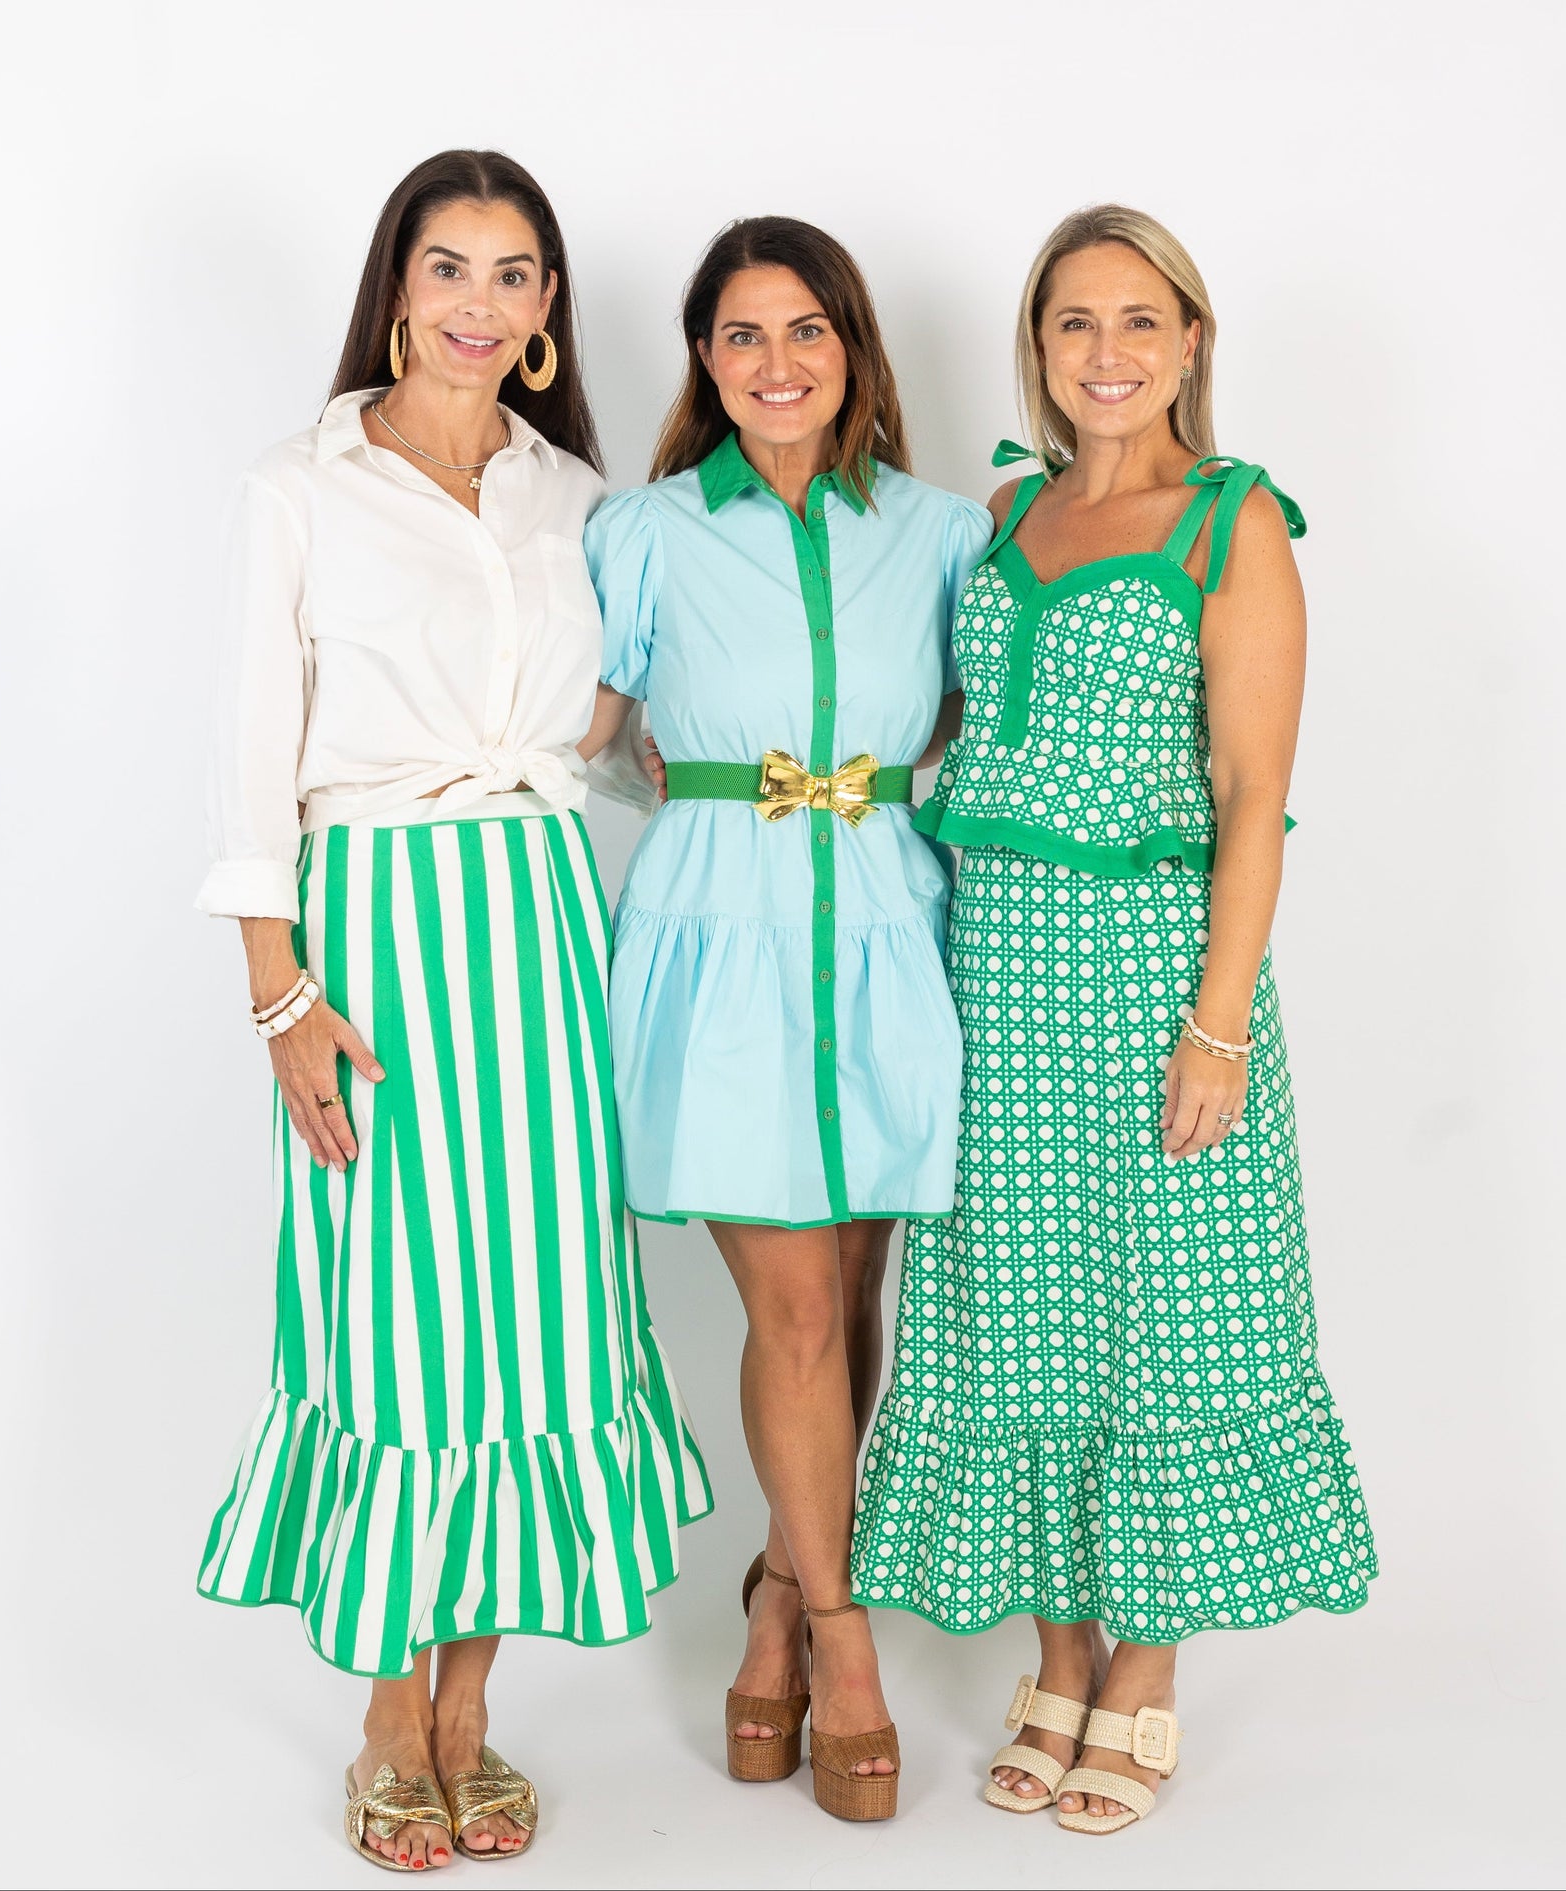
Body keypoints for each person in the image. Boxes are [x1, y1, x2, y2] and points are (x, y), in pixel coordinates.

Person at [194, 148, 709, 1871]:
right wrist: (281, 1004)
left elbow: (624, 739)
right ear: (396, 286)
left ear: (548, 310)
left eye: (512, 274)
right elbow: (253, 764)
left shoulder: (583, 500)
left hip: (546, 929)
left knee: (540, 1323)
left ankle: (468, 1708)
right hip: (377, 938)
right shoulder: (302, 482)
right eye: (447, 267)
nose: (477, 305)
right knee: (399, 1332)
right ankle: (384, 1722)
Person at [850, 204, 1378, 1835]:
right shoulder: (1002, 518)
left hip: (1153, 969)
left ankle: (1139, 1679)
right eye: (1074, 323)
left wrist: (1217, 1026)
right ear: (1039, 347)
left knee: (1163, 1304)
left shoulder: (1233, 523)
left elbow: (1255, 789)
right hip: (991, 963)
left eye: (1139, 320)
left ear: (1193, 340)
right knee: (1019, 1303)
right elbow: (929, 720)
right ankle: (1056, 1658)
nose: (1107, 353)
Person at [585, 216, 989, 1823]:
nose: (777, 363)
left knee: (858, 1293)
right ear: (703, 359)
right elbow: (588, 737)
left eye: (806, 329)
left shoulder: (951, 531)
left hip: (892, 931)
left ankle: (770, 1583)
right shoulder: (646, 530)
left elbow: (977, 717)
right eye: (742, 335)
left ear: (855, 347)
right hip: (721, 940)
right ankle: (837, 1633)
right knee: (799, 1313)